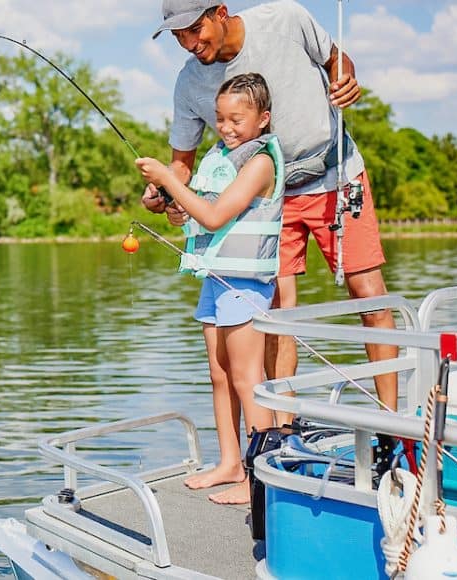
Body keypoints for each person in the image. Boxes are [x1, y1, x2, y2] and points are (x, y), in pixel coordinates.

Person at [142, 0, 399, 426]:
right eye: (177, 36)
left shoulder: (286, 18)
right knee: (275, 313)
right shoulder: (188, 83)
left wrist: (347, 77)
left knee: (368, 292)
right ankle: (284, 430)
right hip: (267, 199)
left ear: (219, 12)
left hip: (335, 173)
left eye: (194, 29)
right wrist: (163, 190)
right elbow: (181, 164)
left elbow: (338, 59)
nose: (189, 43)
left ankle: (393, 425)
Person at [136, 72, 282, 505]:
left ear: (263, 119)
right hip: (215, 279)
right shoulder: (219, 157)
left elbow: (218, 216)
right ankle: (230, 462)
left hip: (244, 284)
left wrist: (168, 175)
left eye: (237, 119)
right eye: (220, 118)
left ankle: (261, 478)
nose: (227, 127)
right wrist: (174, 206)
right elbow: (200, 210)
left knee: (246, 377)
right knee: (220, 375)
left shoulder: (260, 162)